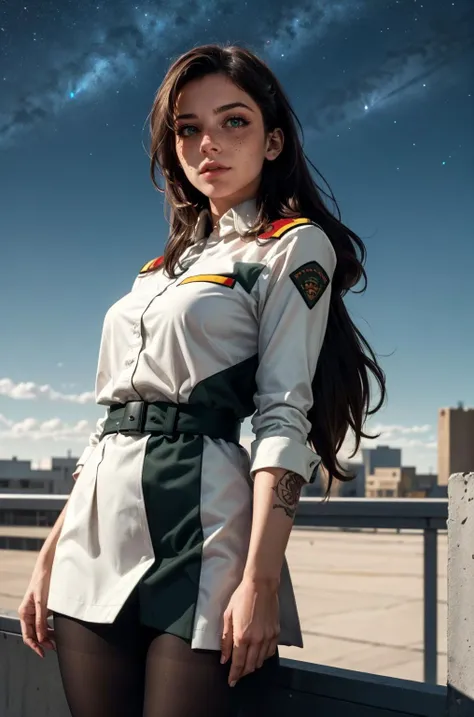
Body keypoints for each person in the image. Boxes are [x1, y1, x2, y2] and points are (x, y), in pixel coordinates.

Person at [18, 43, 386, 717]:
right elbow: (110, 423)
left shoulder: (292, 245)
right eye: (188, 127)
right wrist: (52, 548)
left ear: (274, 141)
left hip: (203, 532)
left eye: (233, 121)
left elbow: (284, 416)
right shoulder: (157, 267)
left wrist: (261, 580)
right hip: (93, 538)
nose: (207, 142)